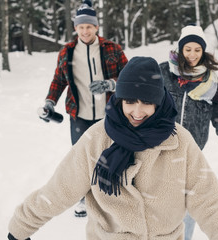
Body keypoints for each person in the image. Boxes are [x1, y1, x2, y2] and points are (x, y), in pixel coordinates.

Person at [8, 56, 218, 240]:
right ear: (120, 99)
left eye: (147, 103)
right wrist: (21, 226)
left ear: (159, 102)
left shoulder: (180, 142)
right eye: (130, 102)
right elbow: (59, 190)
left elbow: (210, 205)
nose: (137, 112)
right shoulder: (97, 139)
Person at [39, 0, 128, 217]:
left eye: (89, 26)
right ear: (75, 28)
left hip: (109, 115)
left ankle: (109, 197)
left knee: (111, 155)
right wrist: (50, 101)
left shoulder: (112, 49)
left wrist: (111, 84)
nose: (85, 30)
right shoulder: (67, 52)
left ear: (96, 27)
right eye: (81, 26)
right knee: (82, 158)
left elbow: (129, 77)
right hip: (79, 115)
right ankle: (83, 197)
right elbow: (59, 80)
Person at [159, 25, 218, 240]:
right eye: (188, 49)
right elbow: (136, 94)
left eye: (197, 50)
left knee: (190, 203)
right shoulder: (163, 73)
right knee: (159, 201)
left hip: (191, 154)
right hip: (159, 148)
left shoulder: (211, 83)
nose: (192, 55)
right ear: (181, 49)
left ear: (203, 52)